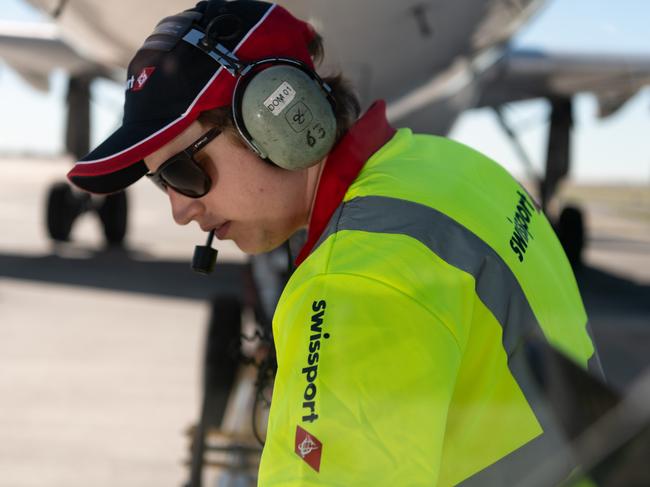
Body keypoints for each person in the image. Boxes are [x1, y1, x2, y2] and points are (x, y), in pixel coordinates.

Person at [67, 1, 604, 485]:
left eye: (184, 172)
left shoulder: (353, 281)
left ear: (275, 117)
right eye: (162, 183)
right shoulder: (451, 172)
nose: (181, 210)